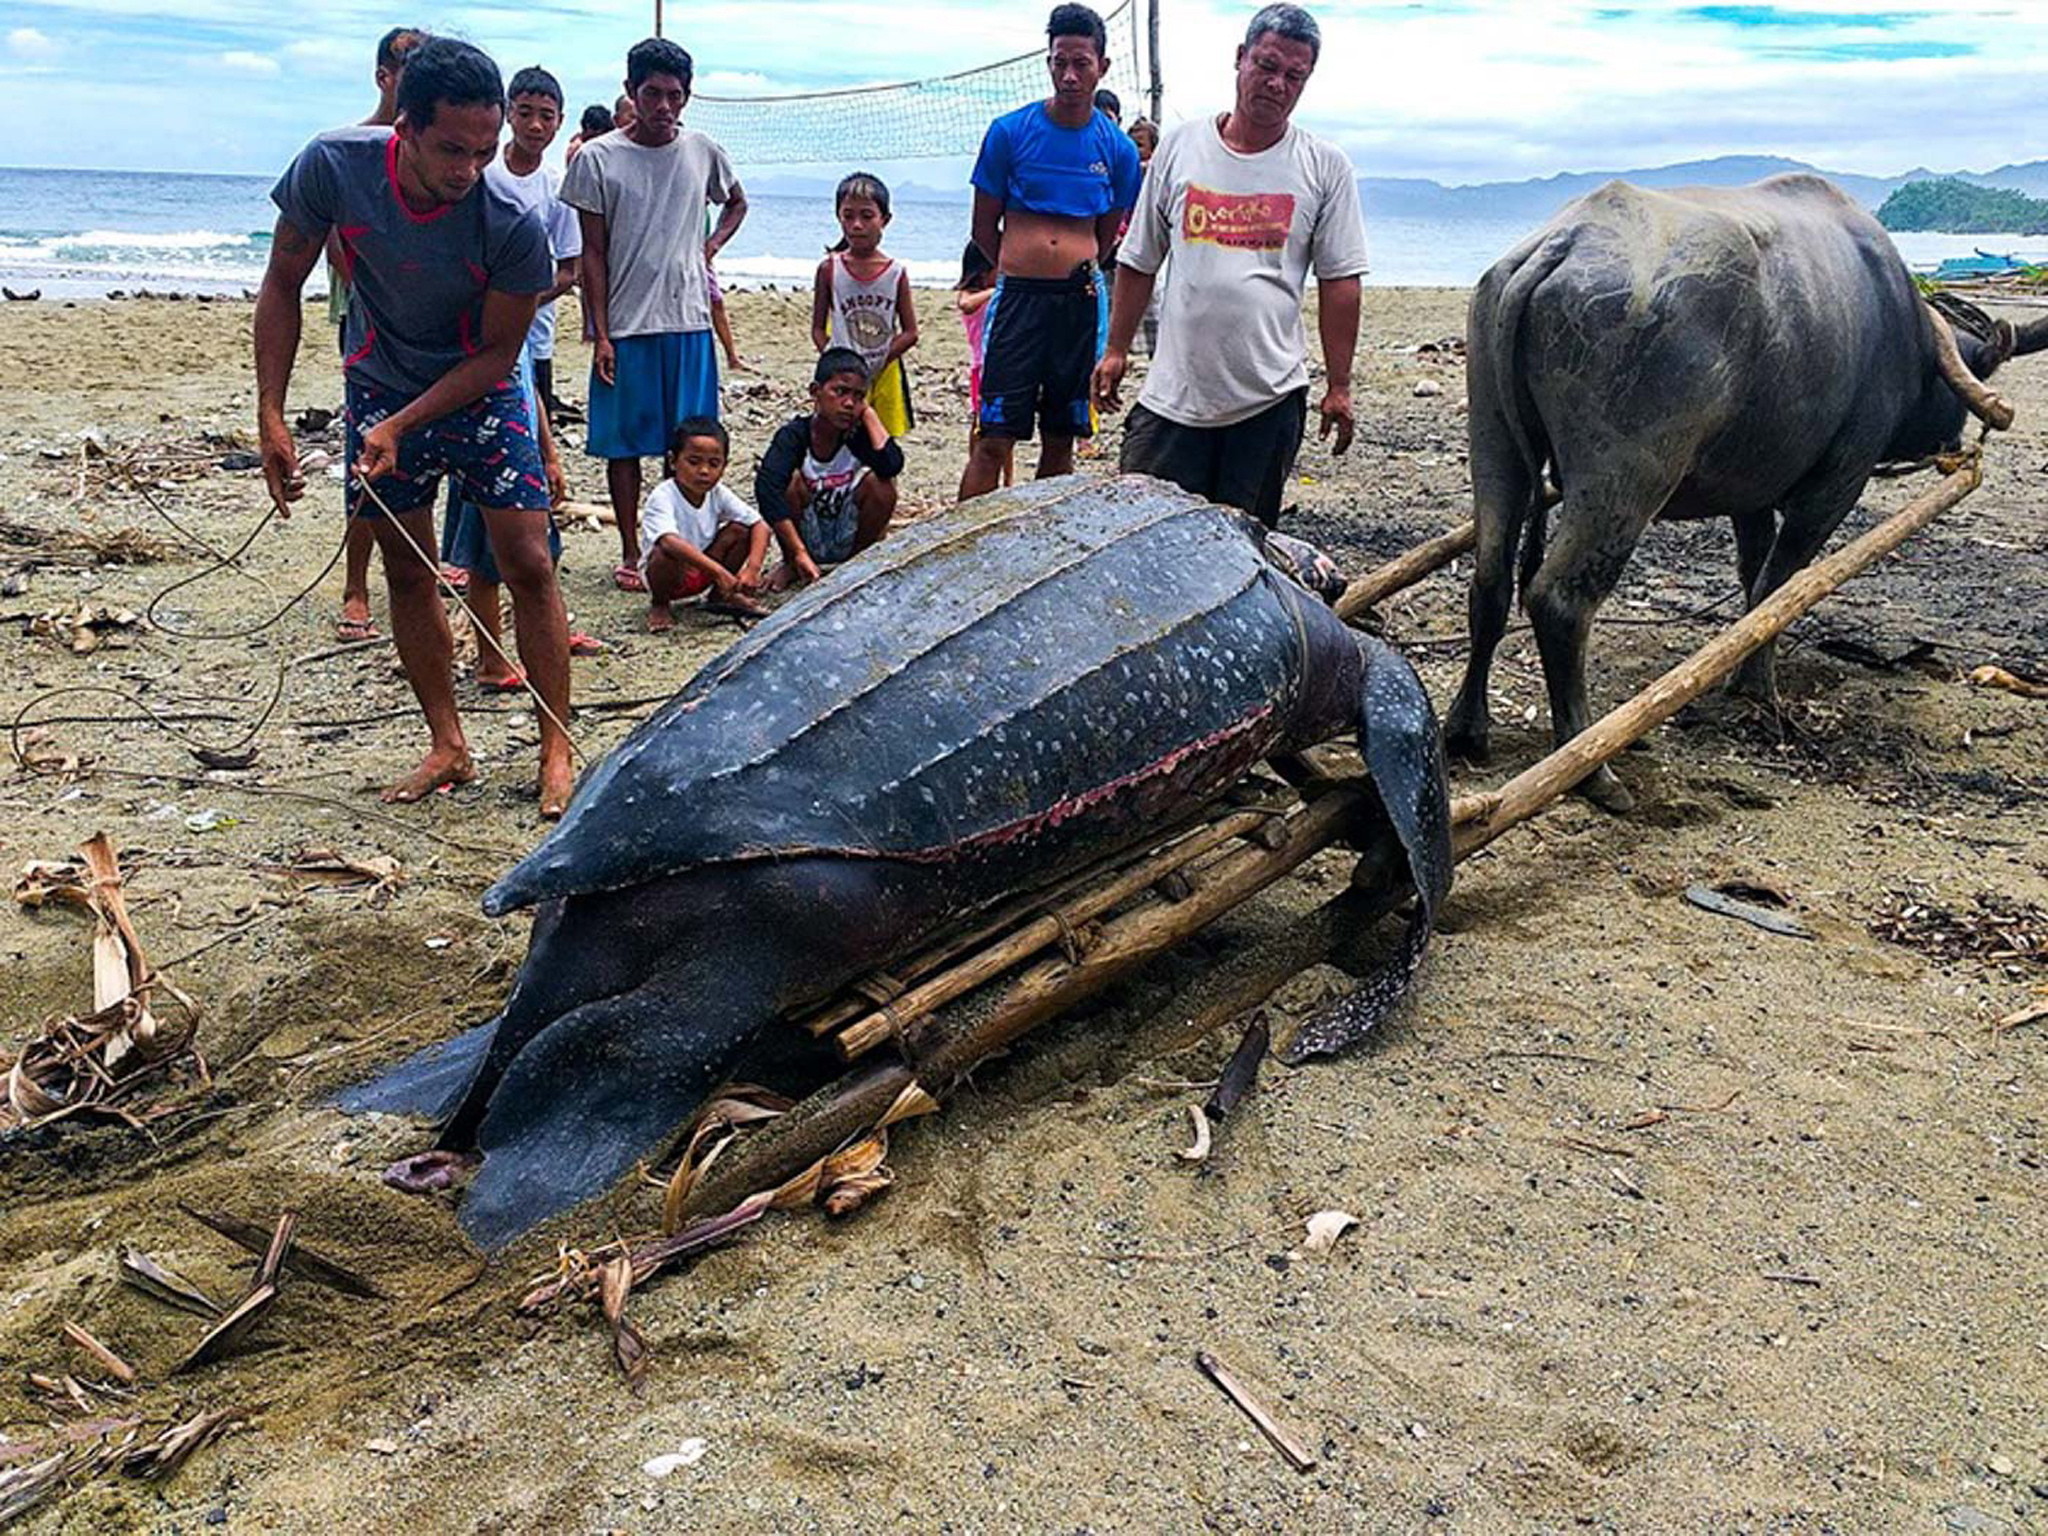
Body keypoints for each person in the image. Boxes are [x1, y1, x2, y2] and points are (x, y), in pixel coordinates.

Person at [254, 37, 576, 816]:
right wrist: (270, 410)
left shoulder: (508, 221)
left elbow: (503, 354)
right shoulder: (333, 166)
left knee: (528, 560)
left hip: (480, 391)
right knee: (408, 570)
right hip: (377, 378)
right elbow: (283, 280)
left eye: (484, 150)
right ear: (404, 127)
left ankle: (556, 745)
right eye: (451, 149)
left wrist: (403, 422)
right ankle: (448, 744)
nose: (469, 169)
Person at [1092, 3, 1367, 528]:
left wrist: (1339, 384)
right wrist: (1115, 349)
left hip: (1267, 399)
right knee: (1143, 536)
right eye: (1266, 66)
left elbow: (1340, 283)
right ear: (1240, 59)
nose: (1277, 84)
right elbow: (1140, 259)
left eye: (1294, 75)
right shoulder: (1180, 147)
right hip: (1172, 397)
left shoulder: (1324, 165)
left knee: (1243, 545)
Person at [563, 37, 748, 592]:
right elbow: (591, 251)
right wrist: (599, 331)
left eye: (674, 95)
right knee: (624, 446)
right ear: (631, 93)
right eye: (652, 94)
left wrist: (710, 246)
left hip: (690, 321)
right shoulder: (598, 158)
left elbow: (737, 201)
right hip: (628, 325)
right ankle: (630, 552)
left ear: (686, 97)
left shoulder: (702, 150)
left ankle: (688, 552)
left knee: (689, 446)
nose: (664, 106)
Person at [957, 4, 1141, 501]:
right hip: (1017, 299)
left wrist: (1067, 267)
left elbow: (1107, 236)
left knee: (1062, 437)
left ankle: (1040, 548)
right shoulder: (1009, 132)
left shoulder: (1118, 150)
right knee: (993, 436)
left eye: (1081, 63)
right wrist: (1021, 264)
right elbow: (982, 224)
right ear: (1049, 62)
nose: (1070, 74)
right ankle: (964, 551)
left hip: (1076, 302)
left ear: (1101, 66)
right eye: (1060, 61)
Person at [326, 24, 427, 642]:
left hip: (428, 324)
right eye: (408, 69)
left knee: (425, 444)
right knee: (365, 453)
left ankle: (415, 568)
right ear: (385, 77)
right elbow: (336, 246)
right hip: (367, 321)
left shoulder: (441, 147)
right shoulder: (355, 149)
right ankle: (357, 585)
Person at [754, 347, 903, 586]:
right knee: (788, 483)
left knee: (882, 484)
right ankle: (792, 563)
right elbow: (766, 489)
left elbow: (892, 464)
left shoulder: (858, 438)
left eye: (857, 396)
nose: (848, 403)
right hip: (806, 533)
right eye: (840, 392)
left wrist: (869, 416)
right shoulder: (794, 436)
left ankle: (857, 562)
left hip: (847, 531)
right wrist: (797, 552)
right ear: (816, 392)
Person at [495, 66, 581, 419]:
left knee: (533, 422)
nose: (535, 126)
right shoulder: (483, 173)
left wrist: (524, 301)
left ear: (559, 121)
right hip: (478, 327)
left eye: (546, 116)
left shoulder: (558, 187)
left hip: (535, 331)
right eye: (525, 113)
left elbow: (569, 269)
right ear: (507, 112)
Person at [811, 172, 919, 438]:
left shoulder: (895, 273)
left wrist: (879, 360)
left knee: (881, 446)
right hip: (840, 378)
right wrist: (835, 360)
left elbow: (910, 332)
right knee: (835, 439)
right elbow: (817, 329)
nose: (857, 225)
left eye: (867, 216)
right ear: (839, 217)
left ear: (885, 219)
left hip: (883, 376)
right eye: (848, 216)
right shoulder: (829, 268)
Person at [641, 418, 770, 630]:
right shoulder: (663, 495)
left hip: (705, 570)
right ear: (673, 461)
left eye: (713, 464)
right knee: (664, 553)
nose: (704, 471)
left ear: (724, 466)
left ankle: (720, 595)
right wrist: (719, 572)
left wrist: (752, 569)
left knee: (740, 530)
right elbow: (669, 541)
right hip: (671, 574)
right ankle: (660, 604)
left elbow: (760, 524)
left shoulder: (718, 493)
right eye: (693, 462)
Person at [955, 242, 1013, 488]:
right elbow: (966, 304)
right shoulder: (971, 295)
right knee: (980, 423)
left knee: (1003, 428)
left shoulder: (1002, 294)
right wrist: (998, 289)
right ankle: (975, 463)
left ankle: (1008, 478)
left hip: (1004, 365)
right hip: (982, 367)